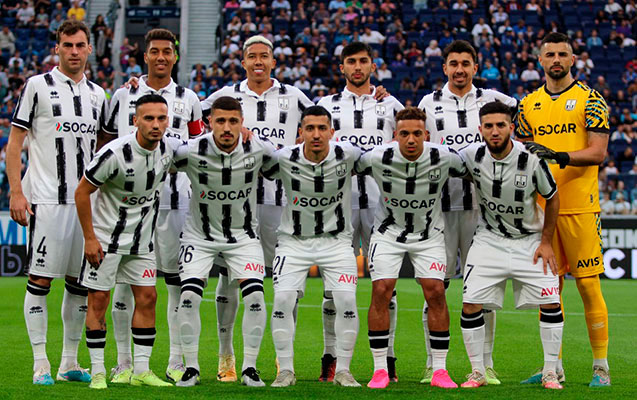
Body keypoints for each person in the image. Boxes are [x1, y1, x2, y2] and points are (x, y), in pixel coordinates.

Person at [200, 35, 314, 382]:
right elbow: (190, 118)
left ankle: (283, 357)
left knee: (288, 283)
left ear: (273, 61)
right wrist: (138, 87)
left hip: (286, 202)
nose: (259, 61)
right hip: (237, 204)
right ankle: (226, 356)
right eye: (253, 56)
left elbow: (321, 122)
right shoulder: (226, 97)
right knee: (230, 280)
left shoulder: (295, 96)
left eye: (265, 56)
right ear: (243, 61)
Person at [7, 20, 107, 386]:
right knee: (39, 281)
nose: (74, 51)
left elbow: (105, 149)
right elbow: (15, 143)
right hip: (47, 200)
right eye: (68, 45)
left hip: (85, 206)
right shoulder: (37, 86)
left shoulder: (98, 95)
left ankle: (68, 363)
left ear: (90, 49)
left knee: (79, 284)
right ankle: (40, 364)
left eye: (80, 45)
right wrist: (17, 192)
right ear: (57, 48)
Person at [103, 28, 204, 384]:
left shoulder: (190, 99)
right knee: (123, 284)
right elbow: (105, 144)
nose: (161, 57)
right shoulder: (122, 95)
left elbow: (198, 151)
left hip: (176, 205)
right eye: (155, 51)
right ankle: (123, 362)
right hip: (128, 206)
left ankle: (176, 360)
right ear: (144, 56)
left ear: (175, 56)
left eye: (167, 51)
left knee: (176, 283)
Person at [417, 39, 517, 385]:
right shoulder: (428, 103)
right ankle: (433, 363)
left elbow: (523, 124)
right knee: (435, 288)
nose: (459, 70)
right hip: (439, 210)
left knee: (483, 289)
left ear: (476, 66)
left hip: (482, 210)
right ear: (444, 67)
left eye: (465, 63)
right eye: (453, 63)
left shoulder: (496, 101)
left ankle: (485, 364)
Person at [516, 32, 611, 387]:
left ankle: (600, 367)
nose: (556, 59)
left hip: (580, 207)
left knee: (588, 285)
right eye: (550, 54)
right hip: (542, 211)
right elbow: (522, 153)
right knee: (548, 289)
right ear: (540, 60)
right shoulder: (527, 105)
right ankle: (552, 367)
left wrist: (559, 156)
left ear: (573, 59)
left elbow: (598, 152)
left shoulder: (591, 99)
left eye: (562, 54)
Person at [76, 94, 179, 389]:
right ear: (136, 121)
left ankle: (141, 370)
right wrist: (89, 238)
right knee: (99, 301)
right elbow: (82, 192)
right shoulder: (114, 153)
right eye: (149, 118)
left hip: (142, 243)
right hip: (105, 241)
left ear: (168, 121)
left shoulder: (169, 150)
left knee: (148, 298)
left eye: (161, 118)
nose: (156, 124)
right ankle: (98, 371)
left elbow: (203, 149)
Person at [459, 101, 562, 391]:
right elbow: (442, 162)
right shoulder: (470, 155)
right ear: (480, 129)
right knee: (470, 303)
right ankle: (477, 371)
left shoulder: (531, 159)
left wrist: (546, 241)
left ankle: (550, 372)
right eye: (489, 126)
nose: (495, 131)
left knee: (551, 302)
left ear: (511, 128)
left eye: (501, 125)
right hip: (489, 239)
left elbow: (553, 197)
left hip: (529, 240)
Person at [357, 107, 464, 389]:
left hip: (429, 235)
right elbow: (346, 162)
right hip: (387, 233)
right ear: (395, 135)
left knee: (436, 291)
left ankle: (439, 370)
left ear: (427, 135)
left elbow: (475, 167)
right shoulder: (377, 156)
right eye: (404, 134)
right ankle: (380, 370)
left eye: (417, 133)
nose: (411, 139)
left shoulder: (444, 157)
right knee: (381, 290)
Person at [317, 41, 403, 382]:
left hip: (383, 205)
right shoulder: (326, 106)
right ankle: (331, 357)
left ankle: (389, 359)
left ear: (372, 66)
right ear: (342, 67)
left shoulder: (391, 105)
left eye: (363, 61)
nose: (357, 67)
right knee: (332, 288)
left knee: (386, 286)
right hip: (337, 205)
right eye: (351, 61)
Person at [173, 96, 274, 387]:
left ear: (242, 123)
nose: (227, 128)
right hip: (199, 236)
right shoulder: (192, 151)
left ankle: (249, 368)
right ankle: (191, 368)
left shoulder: (259, 148)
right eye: (220, 121)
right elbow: (158, 158)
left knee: (255, 297)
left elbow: (291, 162)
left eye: (233, 121)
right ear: (209, 123)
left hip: (243, 237)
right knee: (189, 296)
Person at [263, 105, 362, 387]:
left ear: (332, 132)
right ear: (301, 132)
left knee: (347, 301)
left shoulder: (348, 154)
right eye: (310, 128)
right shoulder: (285, 157)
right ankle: (285, 370)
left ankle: (343, 370)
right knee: (283, 300)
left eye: (322, 128)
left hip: (336, 241)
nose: (316, 134)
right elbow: (259, 164)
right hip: (293, 242)